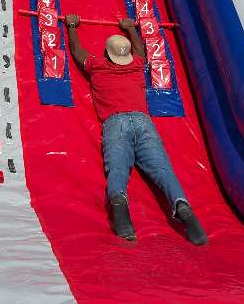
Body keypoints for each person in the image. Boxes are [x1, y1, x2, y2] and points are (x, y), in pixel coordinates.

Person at [63, 13, 208, 245]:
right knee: (163, 170)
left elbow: (77, 53)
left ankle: (121, 212)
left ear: (106, 54)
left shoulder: (98, 66)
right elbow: (141, 51)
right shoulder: (138, 65)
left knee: (118, 169)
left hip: (115, 122)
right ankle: (182, 204)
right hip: (143, 121)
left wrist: (71, 26)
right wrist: (130, 28)